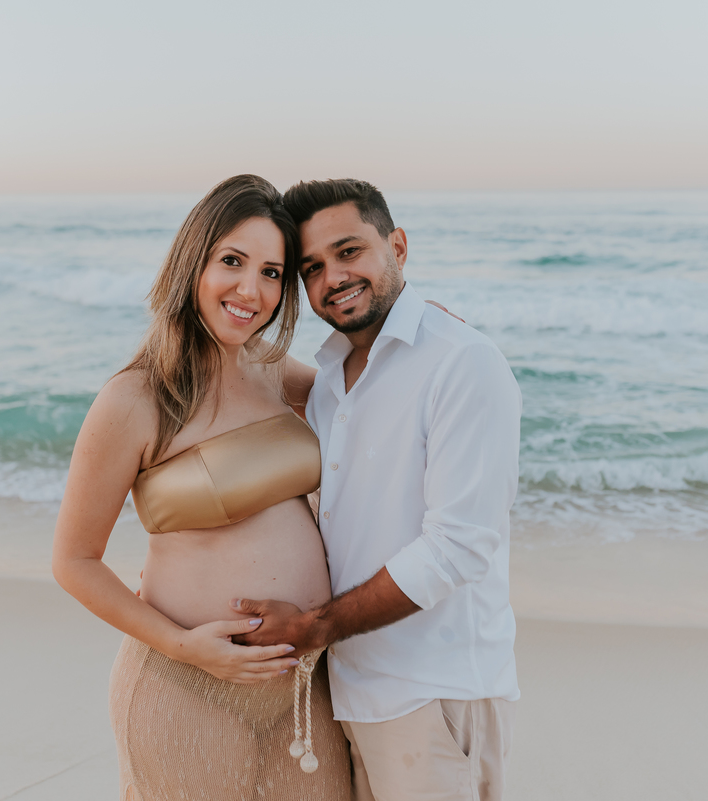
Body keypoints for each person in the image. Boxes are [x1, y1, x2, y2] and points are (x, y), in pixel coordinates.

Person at [51, 175, 353, 801]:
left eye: (272, 273)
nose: (251, 291)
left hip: (304, 691)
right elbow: (74, 561)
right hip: (185, 692)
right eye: (232, 262)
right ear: (193, 261)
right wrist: (184, 646)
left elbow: (373, 393)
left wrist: (420, 327)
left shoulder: (273, 370)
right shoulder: (134, 399)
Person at [234, 179, 522, 801]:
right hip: (352, 692)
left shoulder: (461, 362)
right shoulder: (331, 380)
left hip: (434, 691)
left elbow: (457, 548)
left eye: (349, 251)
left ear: (398, 246)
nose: (334, 277)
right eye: (312, 268)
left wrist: (314, 627)